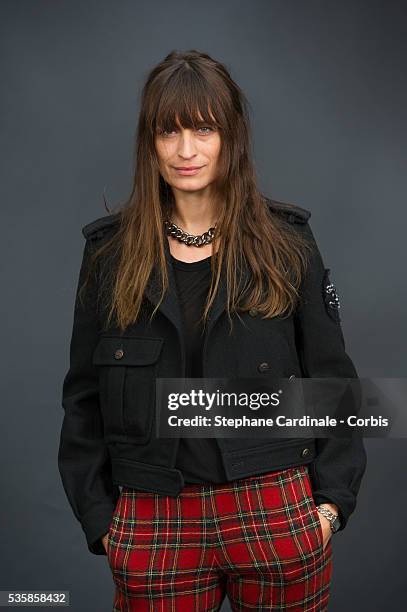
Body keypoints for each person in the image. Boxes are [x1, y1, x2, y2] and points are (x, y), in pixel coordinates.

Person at [58, 49, 367, 611]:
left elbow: (333, 384)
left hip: (274, 512)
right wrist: (103, 522)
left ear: (232, 137)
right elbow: (83, 400)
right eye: (168, 131)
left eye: (203, 129)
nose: (185, 150)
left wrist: (327, 509)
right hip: (154, 519)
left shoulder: (288, 245)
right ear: (148, 143)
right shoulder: (109, 256)